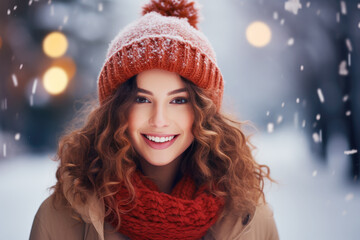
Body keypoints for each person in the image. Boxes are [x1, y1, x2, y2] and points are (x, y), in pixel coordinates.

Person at [30, 0, 279, 239]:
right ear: (115, 109)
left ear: (204, 111)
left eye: (179, 100)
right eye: (142, 99)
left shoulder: (250, 221)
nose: (159, 120)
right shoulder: (62, 217)